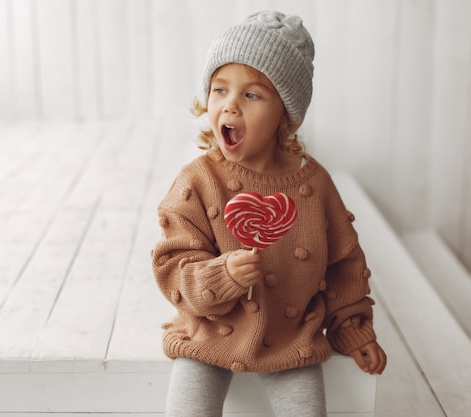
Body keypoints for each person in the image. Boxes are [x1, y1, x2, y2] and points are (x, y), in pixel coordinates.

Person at [151, 10, 387, 417]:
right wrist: (221, 276)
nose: (230, 106)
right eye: (220, 90)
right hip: (207, 332)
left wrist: (351, 326)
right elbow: (173, 265)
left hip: (290, 336)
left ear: (285, 113)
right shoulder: (198, 180)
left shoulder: (314, 186)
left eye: (252, 94)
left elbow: (344, 264)